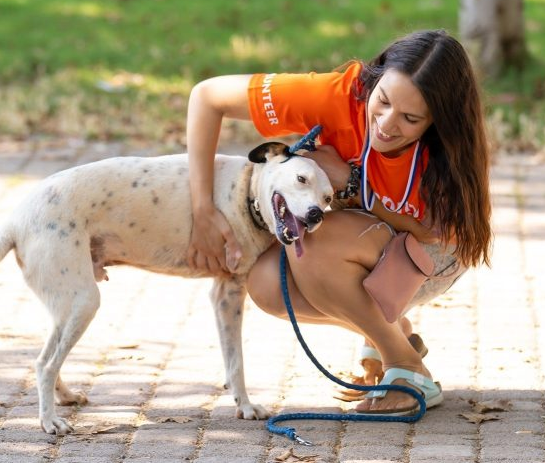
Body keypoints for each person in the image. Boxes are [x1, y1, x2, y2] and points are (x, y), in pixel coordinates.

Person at [185, 29, 492, 415]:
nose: (386, 123)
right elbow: (207, 97)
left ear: (437, 119)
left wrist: (350, 181)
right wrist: (203, 211)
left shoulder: (452, 144)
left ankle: (407, 370)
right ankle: (392, 337)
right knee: (265, 284)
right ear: (374, 79)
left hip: (434, 253)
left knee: (313, 246)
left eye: (411, 118)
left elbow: (428, 230)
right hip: (363, 237)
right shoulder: (337, 94)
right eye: (382, 101)